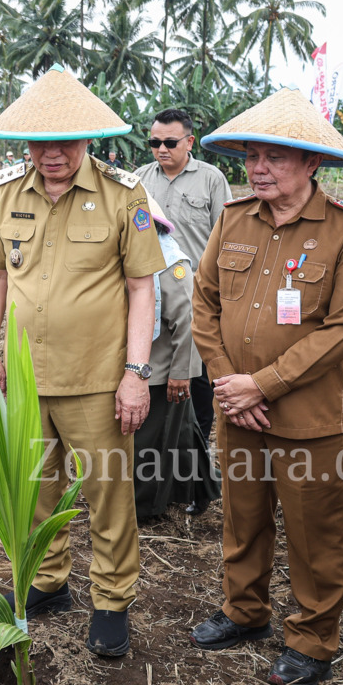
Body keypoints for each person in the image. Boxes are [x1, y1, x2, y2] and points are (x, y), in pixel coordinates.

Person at [188, 88, 343, 685]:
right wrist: (228, 383)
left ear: (311, 162)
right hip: (236, 408)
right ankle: (244, 611)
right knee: (242, 519)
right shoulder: (234, 218)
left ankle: (312, 639)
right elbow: (205, 303)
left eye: (275, 157)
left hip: (306, 417)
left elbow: (342, 330)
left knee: (314, 530)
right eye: (251, 156)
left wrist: (262, 385)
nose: (259, 168)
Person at [0, 65, 165, 658]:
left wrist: (136, 373)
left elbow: (142, 288)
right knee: (34, 487)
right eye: (39, 143)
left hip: (97, 379)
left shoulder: (122, 194)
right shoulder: (6, 192)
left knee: (108, 493)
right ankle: (47, 580)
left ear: (87, 139)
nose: (51, 154)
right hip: (27, 376)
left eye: (64, 142)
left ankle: (111, 599)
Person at [134, 108, 232, 450]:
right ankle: (158, 454)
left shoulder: (211, 179)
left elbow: (226, 236)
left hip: (198, 295)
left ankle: (195, 452)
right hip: (145, 291)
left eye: (170, 143)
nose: (162, 149)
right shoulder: (138, 180)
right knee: (152, 372)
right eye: (155, 143)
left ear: (189, 142)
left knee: (198, 378)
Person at [132, 197, 219, 520]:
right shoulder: (131, 258)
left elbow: (188, 323)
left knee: (148, 443)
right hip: (141, 365)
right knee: (181, 433)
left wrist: (181, 374)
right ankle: (202, 489)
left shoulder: (171, 263)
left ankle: (144, 508)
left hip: (162, 371)